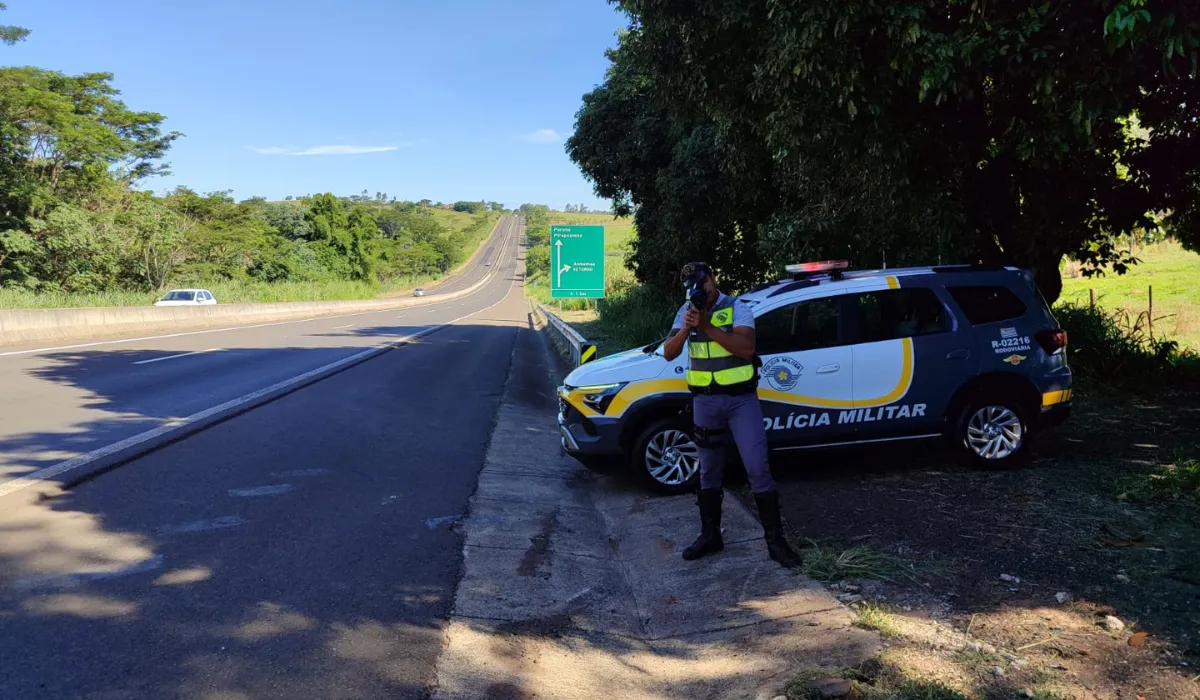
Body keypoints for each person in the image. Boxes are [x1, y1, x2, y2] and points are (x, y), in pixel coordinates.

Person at [662, 262, 802, 569]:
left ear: (714, 280)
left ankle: (775, 543)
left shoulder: (737, 308)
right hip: (705, 403)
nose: (701, 295)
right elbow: (669, 352)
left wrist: (707, 326)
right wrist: (687, 327)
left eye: (704, 287)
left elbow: (745, 348)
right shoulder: (685, 312)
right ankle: (710, 536)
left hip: (741, 401)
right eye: (694, 291)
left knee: (757, 467)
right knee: (708, 471)